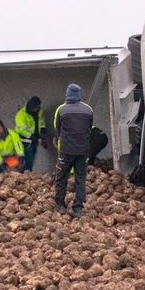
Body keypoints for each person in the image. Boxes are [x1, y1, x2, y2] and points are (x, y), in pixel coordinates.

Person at [53, 84, 93, 218]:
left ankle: (59, 206)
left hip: (66, 151)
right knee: (80, 179)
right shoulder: (88, 110)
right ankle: (78, 209)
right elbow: (90, 128)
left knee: (61, 177)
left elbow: (57, 128)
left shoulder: (61, 110)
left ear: (67, 94)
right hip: (83, 151)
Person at [14, 96, 47, 172]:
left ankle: (27, 174)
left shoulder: (39, 111)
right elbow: (22, 131)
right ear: (32, 107)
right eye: (36, 107)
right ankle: (24, 175)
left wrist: (43, 132)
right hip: (24, 141)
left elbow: (41, 122)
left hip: (34, 141)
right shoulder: (21, 115)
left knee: (31, 158)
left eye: (38, 107)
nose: (38, 109)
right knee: (27, 160)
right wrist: (35, 138)